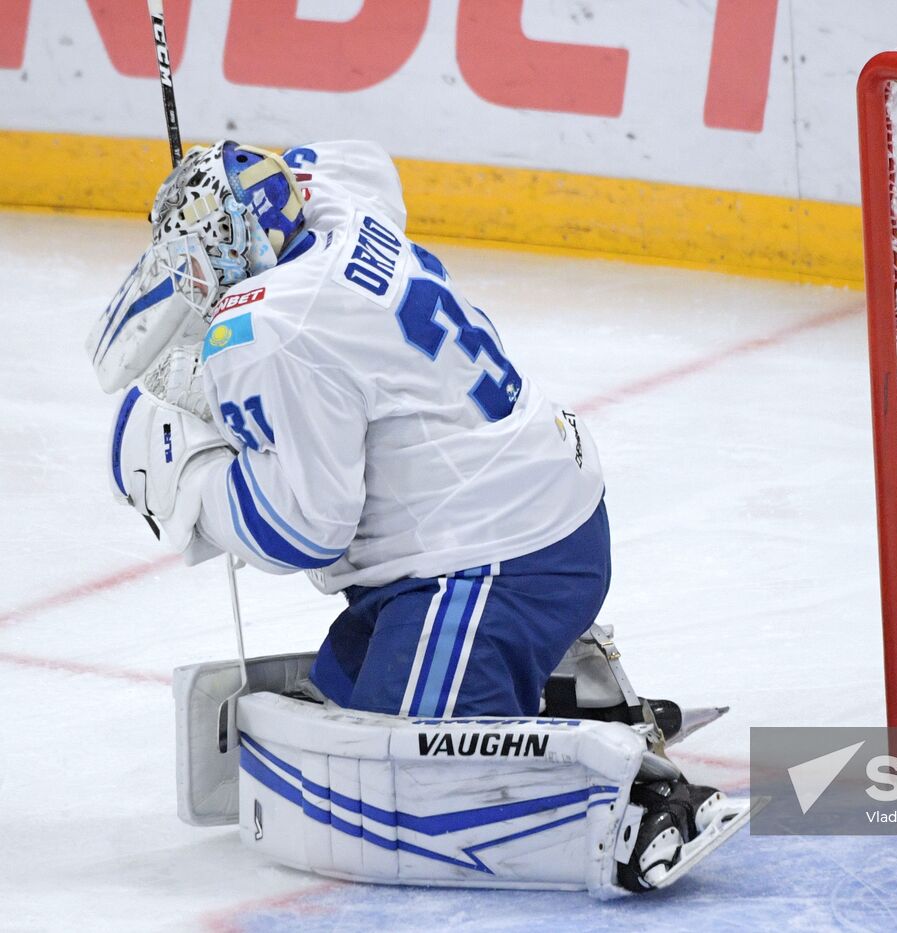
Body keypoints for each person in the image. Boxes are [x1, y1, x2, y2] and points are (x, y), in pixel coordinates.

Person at [88, 140, 724, 890]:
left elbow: (304, 528)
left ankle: (643, 798)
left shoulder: (272, 331)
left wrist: (194, 479)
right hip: (534, 514)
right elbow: (356, 160)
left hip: (496, 566)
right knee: (346, 705)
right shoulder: (336, 205)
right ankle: (572, 688)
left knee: (417, 785)